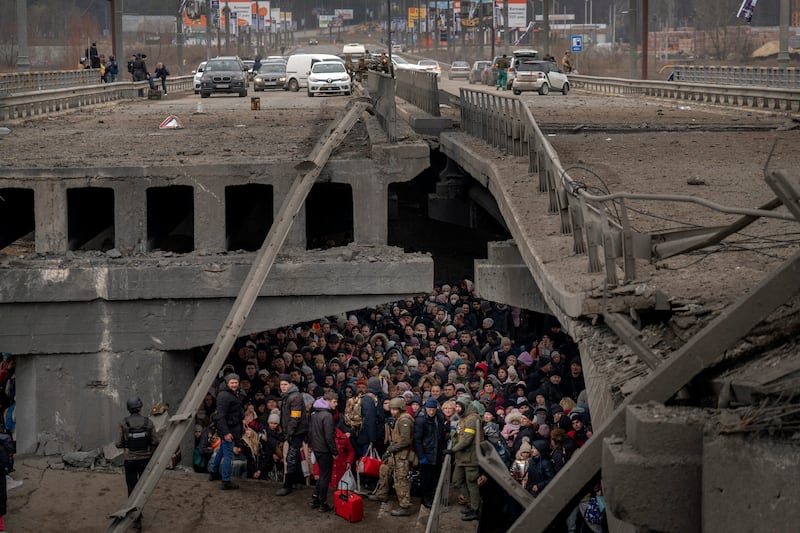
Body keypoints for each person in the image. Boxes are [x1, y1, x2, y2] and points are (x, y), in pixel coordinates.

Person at [115, 397, 159, 531]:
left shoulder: (123, 423)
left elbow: (118, 444)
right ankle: (139, 512)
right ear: (140, 407)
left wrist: (127, 443)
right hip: (145, 460)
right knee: (143, 488)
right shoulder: (149, 422)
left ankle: (136, 519)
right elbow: (155, 442)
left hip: (130, 460)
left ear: (128, 408)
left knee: (132, 489)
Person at [368, 396, 416, 516]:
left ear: (400, 408)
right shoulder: (399, 418)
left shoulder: (404, 421)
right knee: (384, 470)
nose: (392, 411)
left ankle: (405, 506)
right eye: (391, 409)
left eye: (395, 409)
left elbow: (405, 441)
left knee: (401, 480)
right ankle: (381, 494)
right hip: (395, 453)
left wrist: (390, 450)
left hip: (401, 455)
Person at [208, 373, 244, 490]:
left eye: (236, 382)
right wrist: (226, 433)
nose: (234, 385)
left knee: (222, 451)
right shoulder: (224, 396)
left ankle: (213, 472)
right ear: (227, 383)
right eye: (232, 383)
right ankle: (226, 480)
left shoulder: (231, 393)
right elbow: (220, 416)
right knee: (228, 455)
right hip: (229, 429)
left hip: (231, 427)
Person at [276, 373, 309, 496]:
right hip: (294, 431)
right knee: (295, 456)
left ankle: (287, 485)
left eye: (285, 384)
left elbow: (295, 417)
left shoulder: (294, 397)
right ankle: (298, 481)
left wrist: (289, 433)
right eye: (281, 385)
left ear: (290, 384)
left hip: (296, 432)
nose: (283, 387)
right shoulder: (288, 396)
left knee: (291, 457)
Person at [308, 392, 338, 512]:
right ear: (328, 401)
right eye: (334, 402)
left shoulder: (315, 413)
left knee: (322, 475)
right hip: (325, 450)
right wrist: (334, 452)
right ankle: (323, 503)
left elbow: (311, 431)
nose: (336, 404)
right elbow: (329, 437)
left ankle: (315, 498)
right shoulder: (327, 416)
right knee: (326, 476)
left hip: (317, 448)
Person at [414, 396, 446, 508]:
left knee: (434, 476)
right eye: (429, 409)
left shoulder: (439, 417)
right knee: (426, 478)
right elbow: (417, 440)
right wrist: (421, 456)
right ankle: (425, 498)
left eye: (433, 409)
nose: (431, 411)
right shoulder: (421, 419)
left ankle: (431, 495)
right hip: (427, 451)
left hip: (436, 451)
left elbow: (441, 435)